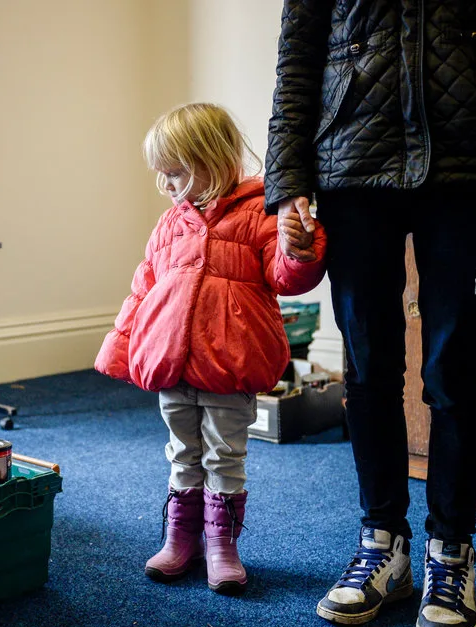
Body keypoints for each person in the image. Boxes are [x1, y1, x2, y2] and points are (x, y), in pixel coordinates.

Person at [265, 1, 476, 627]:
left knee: (454, 371)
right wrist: (289, 181)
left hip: (473, 164)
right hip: (351, 161)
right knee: (368, 368)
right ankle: (382, 542)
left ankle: (451, 554)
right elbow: (296, 60)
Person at [96, 102, 327, 595]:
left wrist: (299, 248)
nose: (164, 185)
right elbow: (144, 288)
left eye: (175, 173)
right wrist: (121, 346)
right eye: (159, 174)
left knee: (224, 455)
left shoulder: (261, 213)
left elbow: (285, 278)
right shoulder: (169, 224)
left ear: (213, 160)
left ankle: (221, 542)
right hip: (171, 362)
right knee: (183, 451)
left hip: (229, 362)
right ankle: (181, 536)